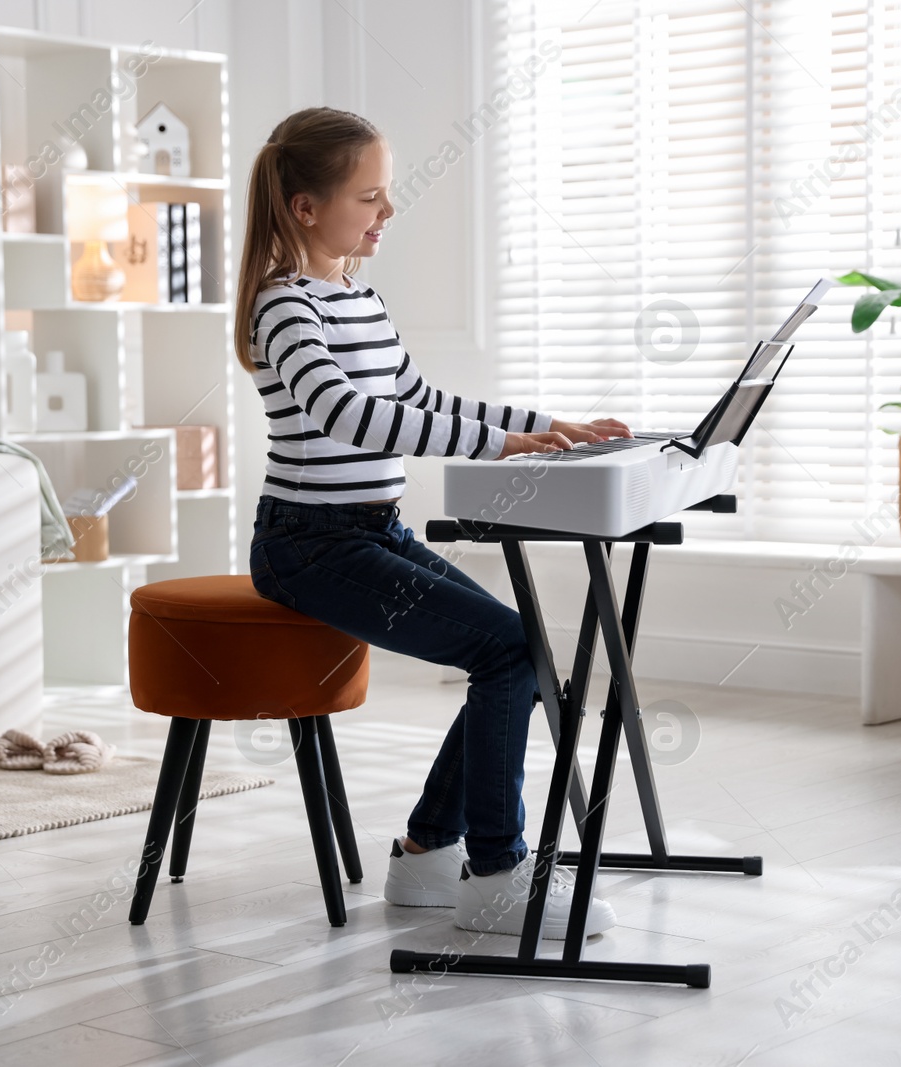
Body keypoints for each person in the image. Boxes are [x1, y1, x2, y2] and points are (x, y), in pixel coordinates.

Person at [237, 107, 630, 938]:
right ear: (306, 208)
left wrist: (549, 426)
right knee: (509, 649)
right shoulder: (284, 306)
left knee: (513, 648)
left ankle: (425, 853)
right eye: (370, 195)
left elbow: (419, 401)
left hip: (372, 529)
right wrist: (498, 445)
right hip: (308, 542)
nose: (387, 210)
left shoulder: (359, 298)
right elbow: (348, 414)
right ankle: (495, 872)